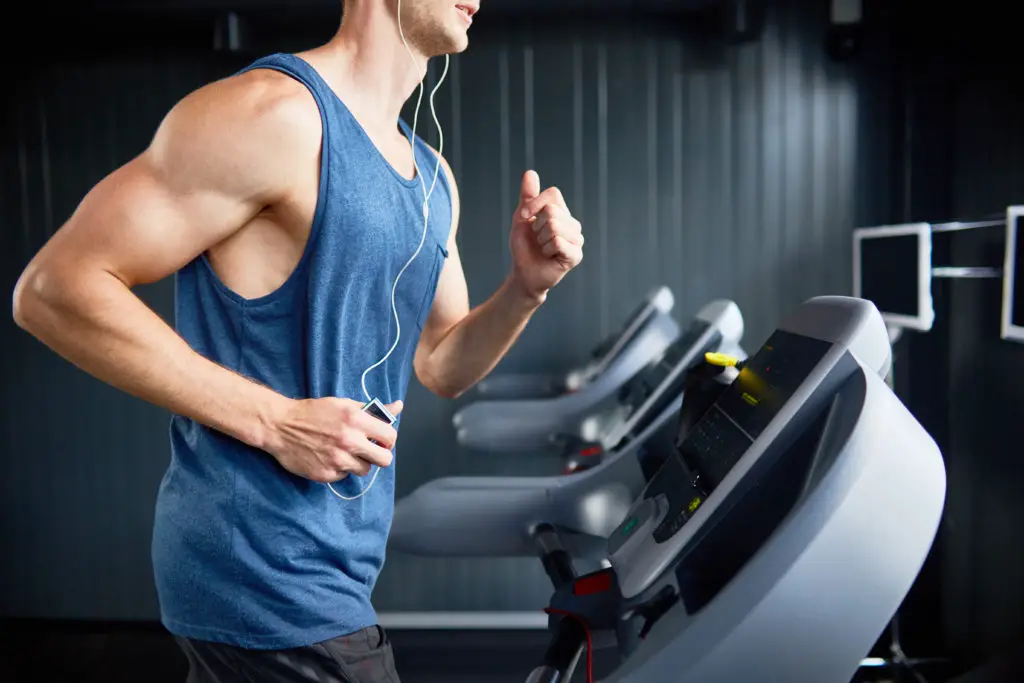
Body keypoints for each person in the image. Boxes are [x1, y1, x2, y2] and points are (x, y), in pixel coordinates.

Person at [11, 0, 584, 680]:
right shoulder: (273, 116)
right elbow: (54, 286)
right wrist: (276, 420)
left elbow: (441, 363)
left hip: (332, 572)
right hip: (262, 570)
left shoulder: (432, 177)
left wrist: (526, 288)